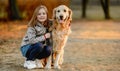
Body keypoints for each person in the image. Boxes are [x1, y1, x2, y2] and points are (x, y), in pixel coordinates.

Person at [20, 5, 52, 69]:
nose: (42, 15)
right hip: (26, 47)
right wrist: (44, 37)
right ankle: (29, 61)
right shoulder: (32, 26)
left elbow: (56, 20)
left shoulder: (47, 23)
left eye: (44, 13)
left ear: (47, 15)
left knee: (48, 50)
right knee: (39, 45)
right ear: (36, 16)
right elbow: (32, 41)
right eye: (39, 14)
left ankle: (33, 59)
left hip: (37, 47)